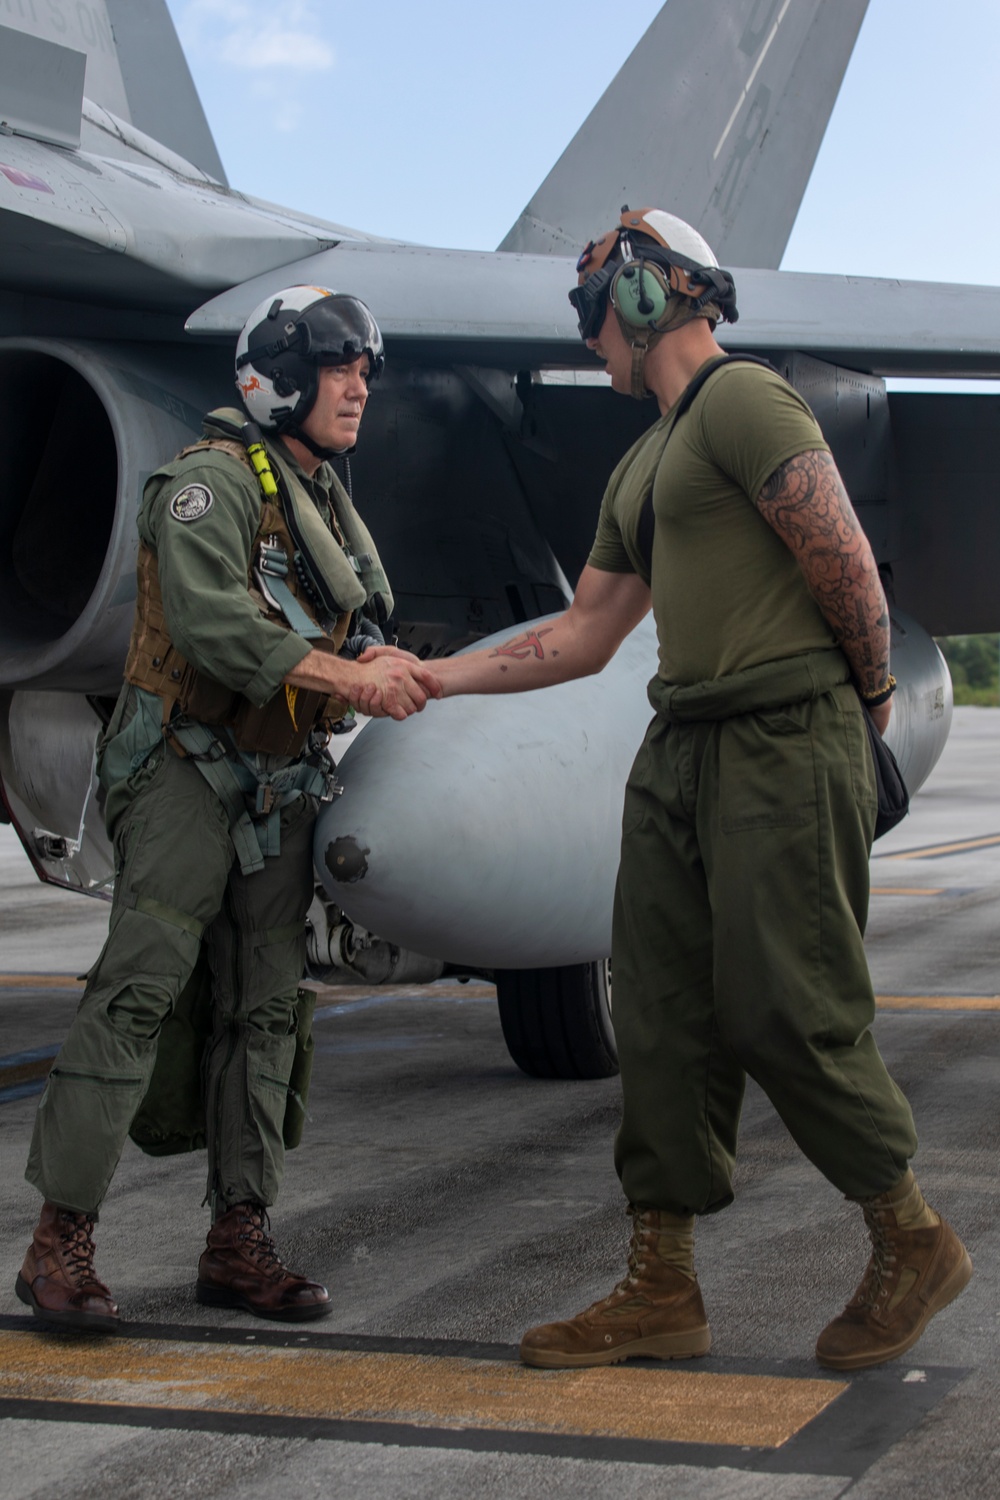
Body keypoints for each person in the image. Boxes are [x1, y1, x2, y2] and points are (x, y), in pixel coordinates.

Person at [366, 209, 972, 1372]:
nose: (590, 340)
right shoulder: (641, 462)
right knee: (660, 1019)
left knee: (786, 1005)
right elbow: (583, 635)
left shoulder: (745, 402)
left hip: (780, 736)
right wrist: (429, 678)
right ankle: (661, 1284)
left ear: (647, 299)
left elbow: (839, 551)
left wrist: (865, 705)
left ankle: (910, 1237)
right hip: (681, 746)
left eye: (595, 313)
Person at [17, 287, 441, 1331]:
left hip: (279, 782)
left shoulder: (327, 499)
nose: (359, 386)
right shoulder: (203, 488)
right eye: (339, 365)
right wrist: (350, 685)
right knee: (137, 993)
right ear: (281, 376)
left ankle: (237, 1240)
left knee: (268, 1009)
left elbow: (340, 624)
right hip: (182, 772)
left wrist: (382, 661)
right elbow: (215, 632)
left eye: (364, 368)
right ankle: (57, 1244)